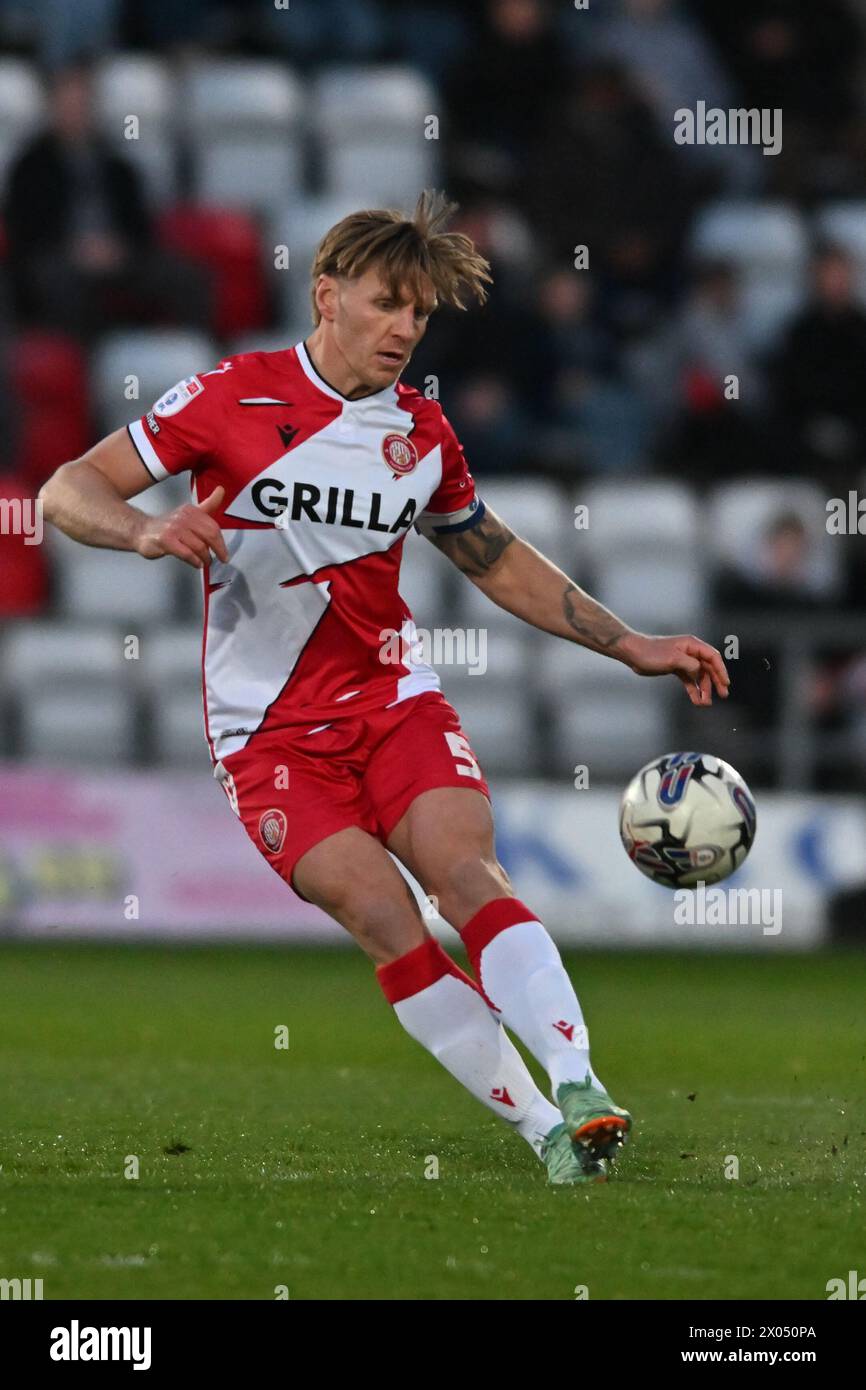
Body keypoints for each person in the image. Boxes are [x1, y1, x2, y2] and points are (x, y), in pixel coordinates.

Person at [38, 192, 729, 1186]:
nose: (405, 329)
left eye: (420, 314)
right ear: (326, 295)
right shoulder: (228, 397)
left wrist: (627, 643)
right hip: (266, 738)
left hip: (392, 702)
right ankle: (545, 1131)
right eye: (387, 304)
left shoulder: (421, 430)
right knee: (383, 919)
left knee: (464, 871)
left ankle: (578, 1084)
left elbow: (491, 558)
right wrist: (147, 529)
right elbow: (68, 487)